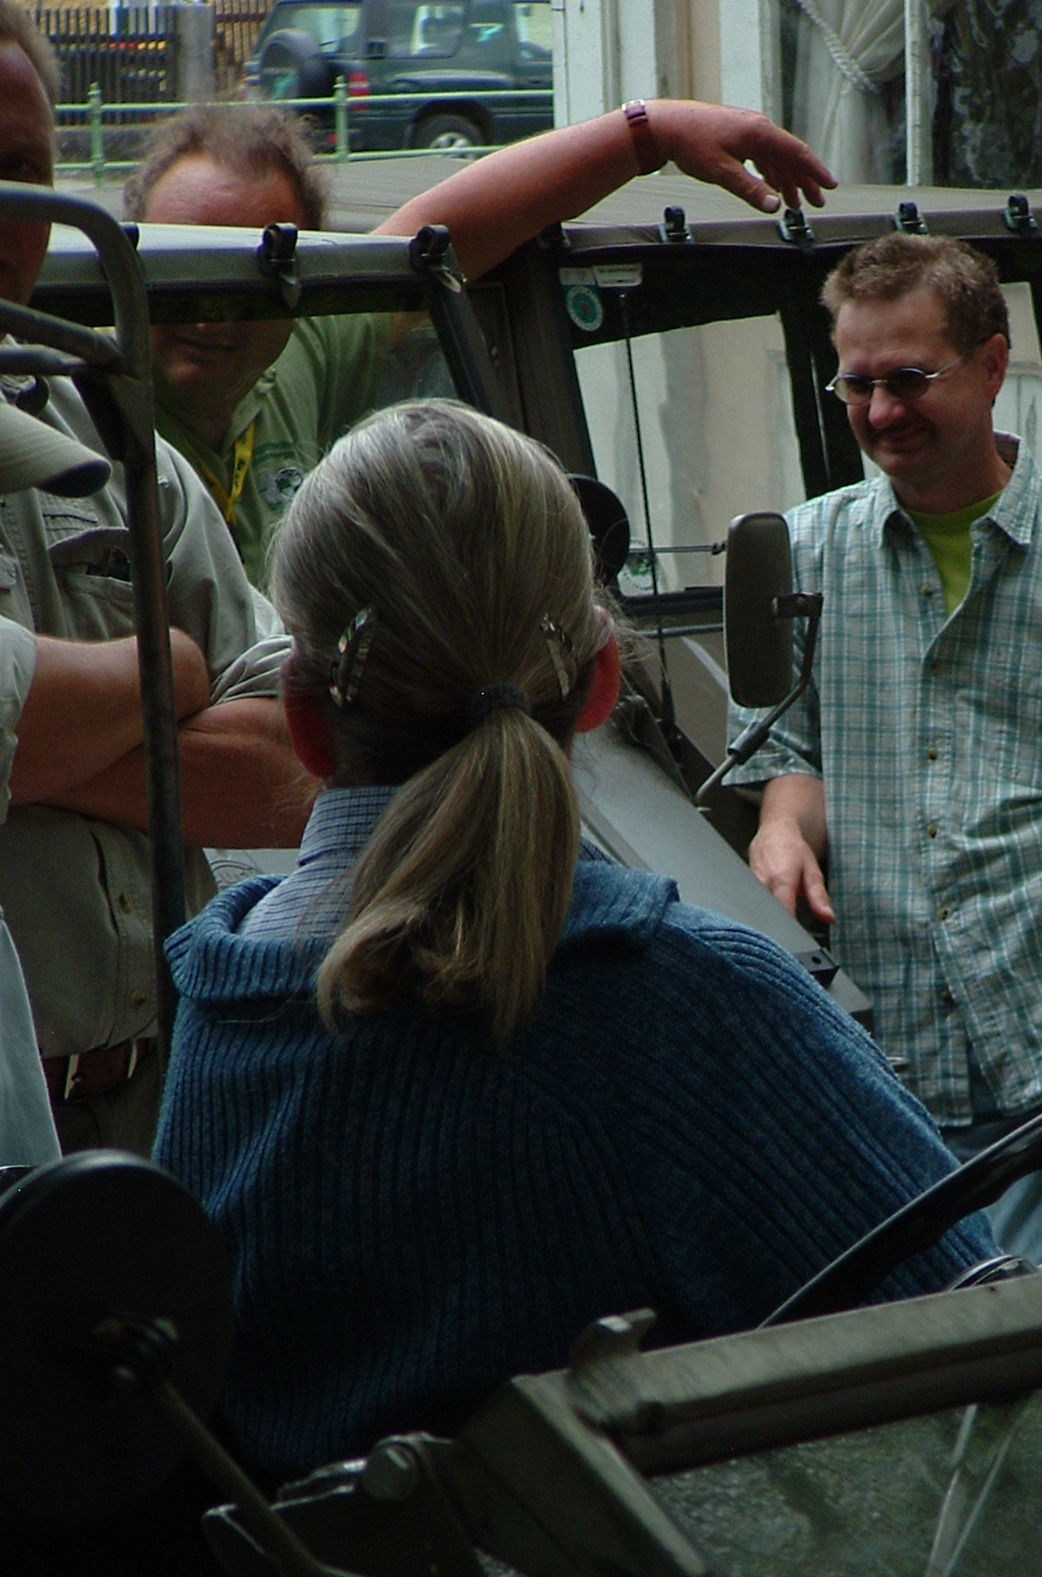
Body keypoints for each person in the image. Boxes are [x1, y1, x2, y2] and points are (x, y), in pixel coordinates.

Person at [154, 401, 994, 1481]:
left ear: (304, 719)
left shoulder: (216, 1015)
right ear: (600, 681)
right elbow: (990, 1364)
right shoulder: (682, 1003)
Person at [730, 233, 1042, 1269]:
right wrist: (782, 830)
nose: (881, 412)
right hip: (922, 1041)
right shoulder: (804, 555)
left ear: (993, 365)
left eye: (910, 379)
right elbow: (788, 755)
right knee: (989, 1325)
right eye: (857, 384)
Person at [123, 100, 834, 584]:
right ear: (123, 268)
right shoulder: (77, 398)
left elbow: (444, 235)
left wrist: (655, 132)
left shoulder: (304, 347)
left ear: (303, 282)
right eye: (176, 275)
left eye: (247, 280)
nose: (210, 317)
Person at [0, 4, 296, 1156]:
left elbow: (285, 768)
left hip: (168, 1096)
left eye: (26, 170)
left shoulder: (123, 452)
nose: (6, 212)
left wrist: (35, 751)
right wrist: (164, 674)